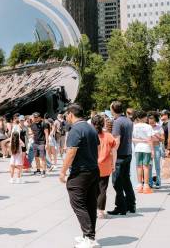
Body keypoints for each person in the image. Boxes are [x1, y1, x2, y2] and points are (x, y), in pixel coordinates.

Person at [60, 104, 100, 248]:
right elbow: (98, 148)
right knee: (90, 203)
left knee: (77, 203)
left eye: (66, 115)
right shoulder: (91, 128)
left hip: (80, 172)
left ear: (70, 114)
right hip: (93, 170)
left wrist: (62, 171)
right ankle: (88, 235)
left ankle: (89, 238)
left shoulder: (75, 129)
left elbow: (71, 152)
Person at [108, 101, 136, 215]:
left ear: (112, 110)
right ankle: (131, 204)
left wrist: (111, 156)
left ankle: (121, 206)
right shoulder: (128, 120)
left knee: (117, 182)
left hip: (119, 156)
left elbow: (117, 141)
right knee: (126, 181)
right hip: (128, 154)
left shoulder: (117, 122)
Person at [91, 114, 116, 219]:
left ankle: (92, 209)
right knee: (103, 189)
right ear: (103, 124)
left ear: (92, 124)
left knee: (92, 189)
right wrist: (113, 164)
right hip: (105, 166)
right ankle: (101, 211)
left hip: (92, 166)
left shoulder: (90, 135)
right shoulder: (109, 136)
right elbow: (114, 151)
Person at [132, 110, 154, 194]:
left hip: (137, 147)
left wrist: (140, 140)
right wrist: (152, 150)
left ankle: (139, 185)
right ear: (144, 117)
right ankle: (146, 186)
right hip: (146, 148)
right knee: (146, 167)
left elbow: (132, 138)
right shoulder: (148, 127)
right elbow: (150, 139)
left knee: (138, 166)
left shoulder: (134, 126)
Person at [30, 112, 50, 177]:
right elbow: (33, 133)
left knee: (43, 158)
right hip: (35, 143)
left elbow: (46, 133)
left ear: (39, 117)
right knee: (36, 157)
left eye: (36, 117)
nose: (35, 119)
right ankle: (38, 170)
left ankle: (43, 171)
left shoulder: (44, 124)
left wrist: (47, 143)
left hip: (42, 143)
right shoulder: (32, 125)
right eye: (34, 117)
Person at [147, 112, 163, 189]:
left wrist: (156, 136)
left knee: (157, 166)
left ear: (155, 119)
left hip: (156, 147)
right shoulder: (146, 127)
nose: (150, 121)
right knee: (149, 166)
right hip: (148, 148)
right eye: (149, 119)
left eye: (152, 119)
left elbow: (163, 139)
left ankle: (158, 182)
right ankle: (150, 182)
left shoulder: (159, 127)